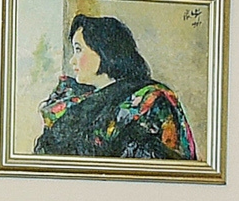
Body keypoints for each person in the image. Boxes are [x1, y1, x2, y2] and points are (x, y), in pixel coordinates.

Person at [32, 11, 194, 163]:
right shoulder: (71, 99)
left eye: (79, 50)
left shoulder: (150, 101)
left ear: (105, 51)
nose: (72, 61)